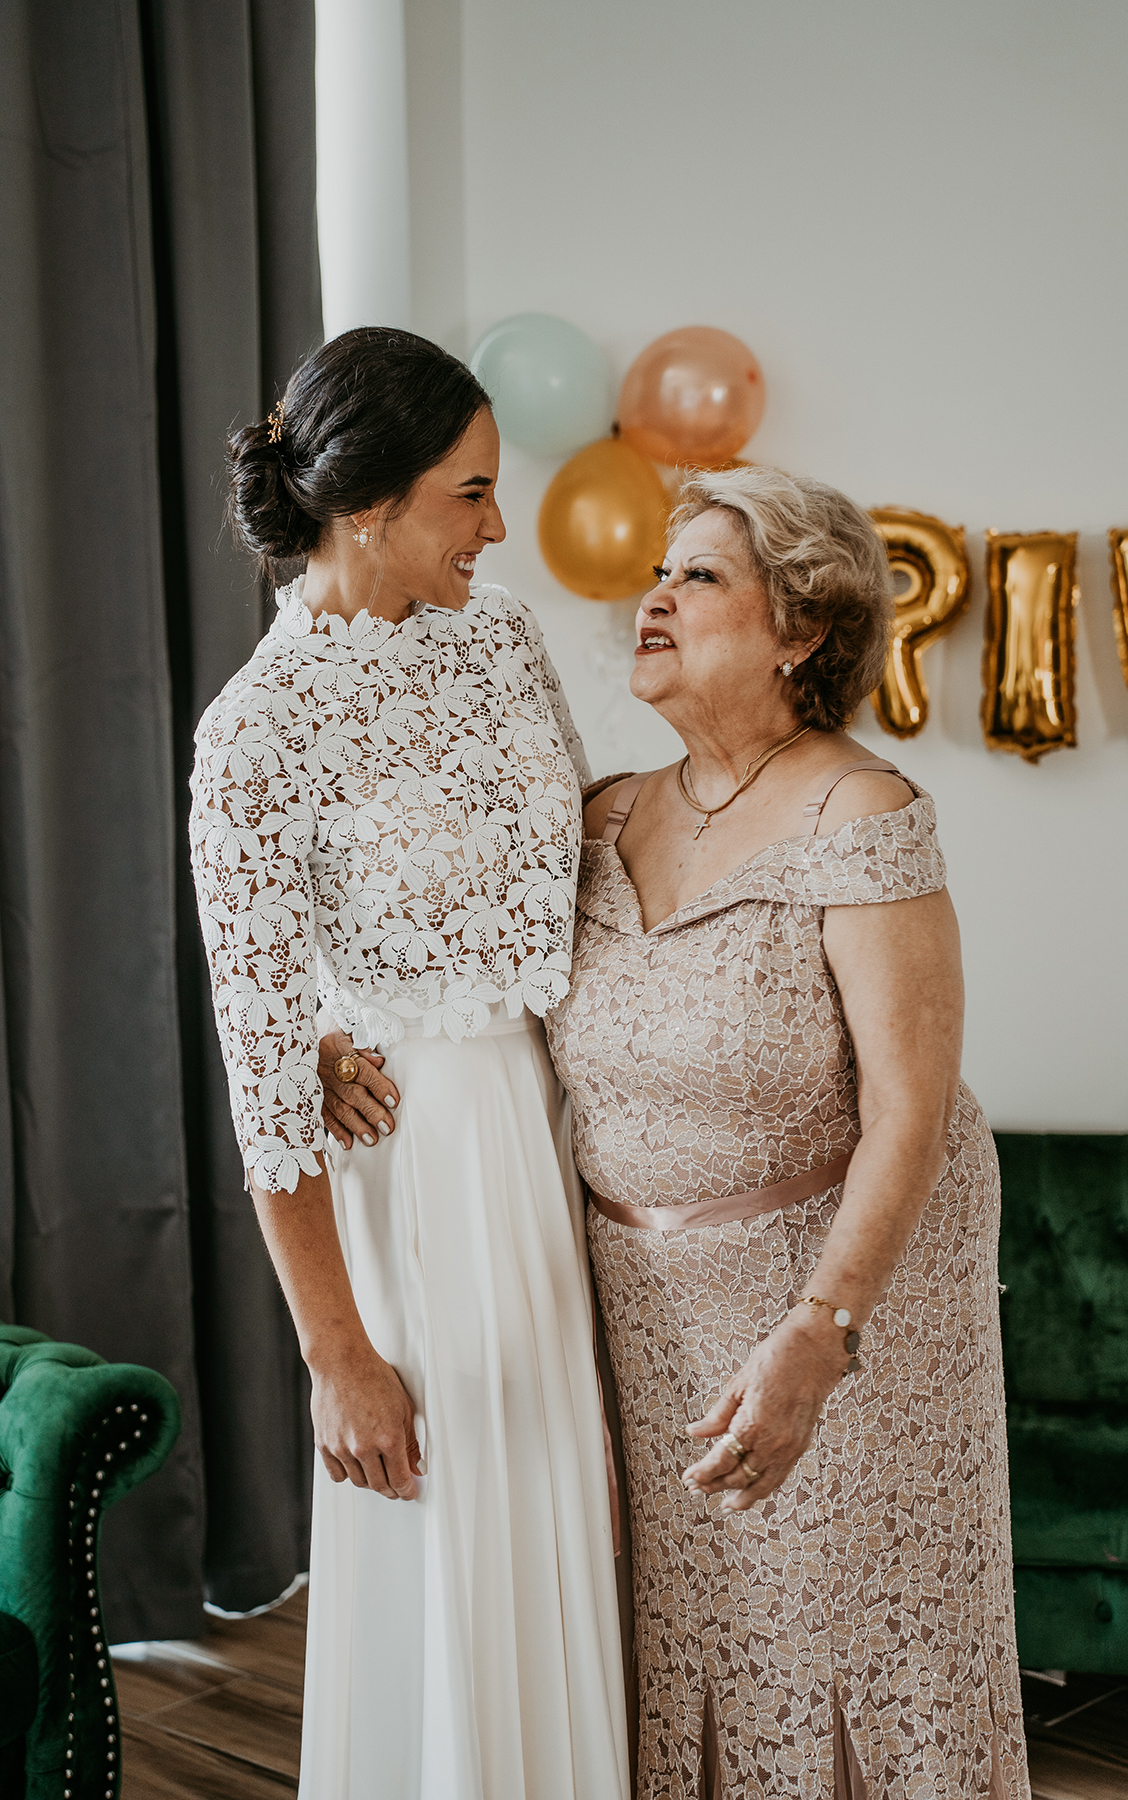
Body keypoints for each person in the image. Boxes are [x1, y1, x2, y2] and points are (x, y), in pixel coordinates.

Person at [190, 327, 628, 1800]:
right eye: (473, 495)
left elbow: (584, 861)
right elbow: (262, 1083)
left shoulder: (499, 636)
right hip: (415, 1169)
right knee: (454, 1544)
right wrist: (337, 1357)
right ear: (365, 503)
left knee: (561, 1531)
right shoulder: (252, 734)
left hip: (551, 1133)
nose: (501, 529)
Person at [545, 467, 1029, 1799]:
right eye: (658, 569)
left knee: (845, 1646)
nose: (656, 595)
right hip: (644, 1321)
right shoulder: (598, 817)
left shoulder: (857, 813)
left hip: (844, 1317)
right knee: (692, 1652)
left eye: (701, 575)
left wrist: (821, 1340)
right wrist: (341, 1045)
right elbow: (469, 996)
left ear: (803, 629)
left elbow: (914, 1108)